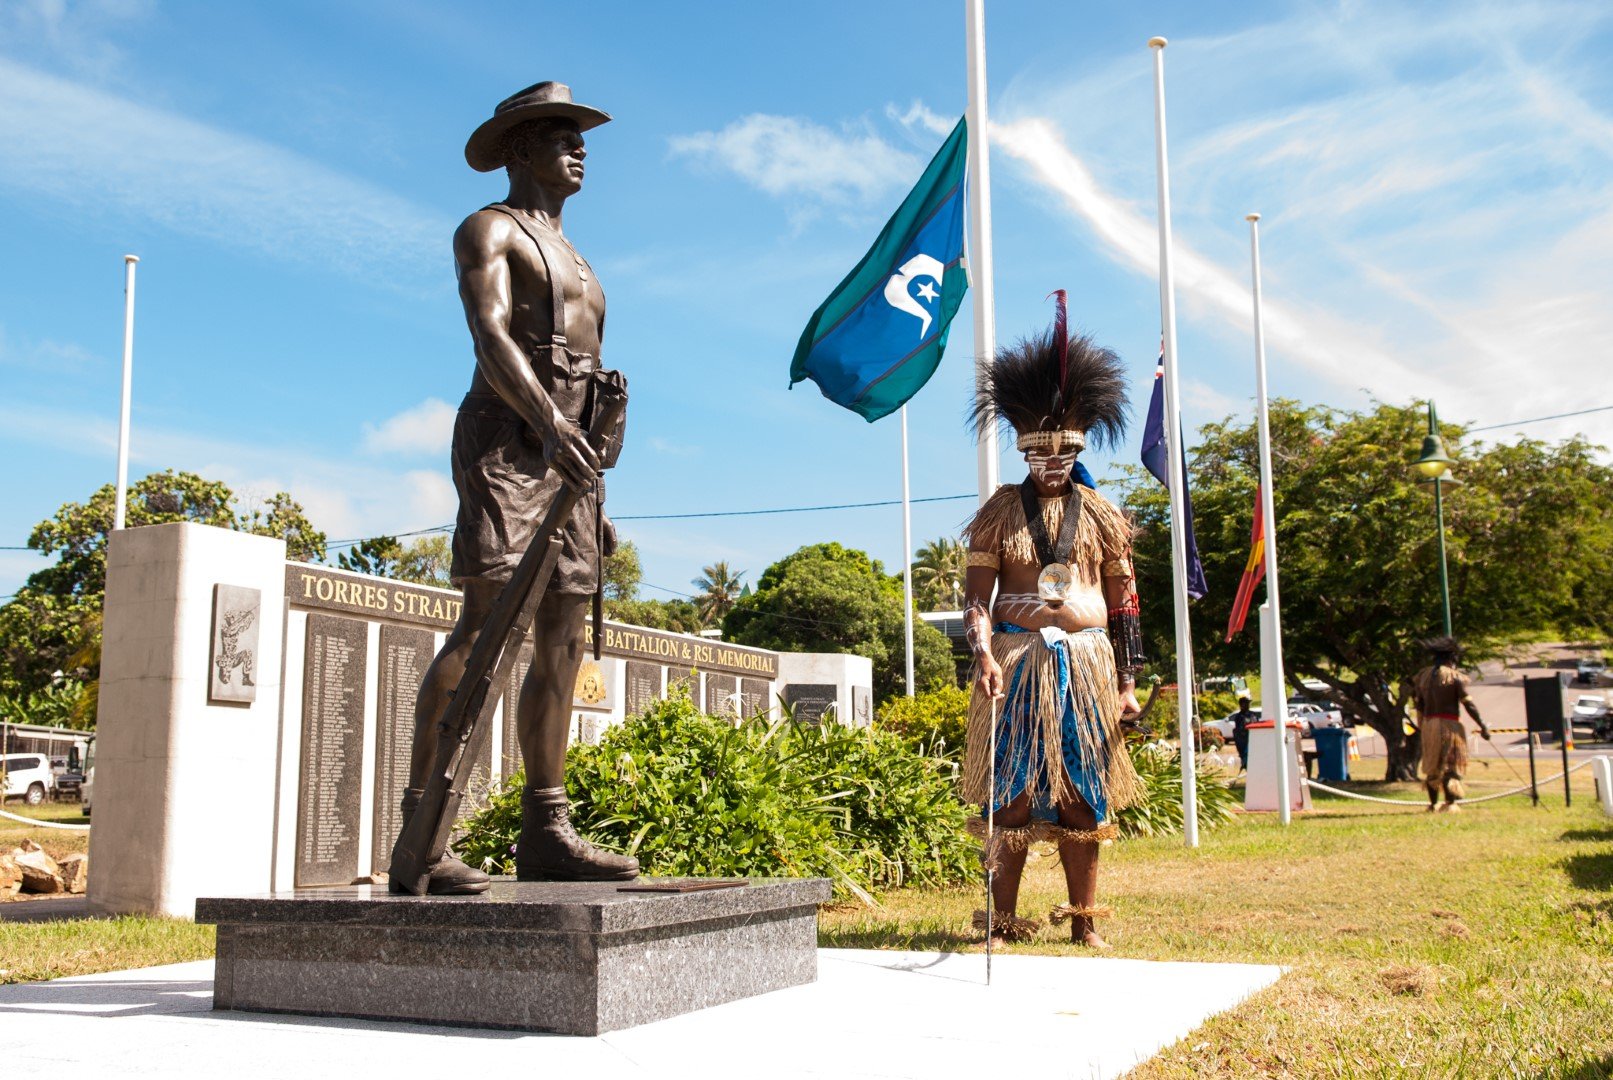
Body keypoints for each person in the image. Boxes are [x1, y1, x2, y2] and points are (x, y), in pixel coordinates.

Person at [390, 82, 638, 894]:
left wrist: (592, 472)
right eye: (562, 136)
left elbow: (588, 371)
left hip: (575, 462)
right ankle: (421, 834)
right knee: (489, 624)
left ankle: (546, 830)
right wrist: (546, 420)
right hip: (509, 441)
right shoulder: (489, 229)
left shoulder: (583, 260)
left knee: (565, 639)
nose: (581, 150)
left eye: (582, 138)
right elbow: (489, 334)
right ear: (520, 148)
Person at [959, 297, 1145, 948]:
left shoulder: (1101, 513)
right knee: (1009, 793)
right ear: (1023, 453)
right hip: (1016, 666)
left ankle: (1083, 922)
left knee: (1080, 792)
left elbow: (1124, 606)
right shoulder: (998, 513)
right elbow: (976, 600)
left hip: (1087, 667)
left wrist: (1127, 683)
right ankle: (1001, 921)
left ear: (1077, 447)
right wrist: (981, 654)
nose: (1052, 464)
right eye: (1039, 453)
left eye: (1063, 451)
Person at [1410, 636, 1491, 812]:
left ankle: (1433, 804)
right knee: (1451, 764)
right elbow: (1468, 703)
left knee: (1432, 765)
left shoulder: (1423, 677)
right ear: (1452, 658)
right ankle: (1450, 804)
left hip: (1429, 725)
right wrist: (1482, 725)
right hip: (1449, 724)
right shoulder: (1454, 677)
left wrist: (1422, 724)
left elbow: (1419, 704)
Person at [1230, 693, 1256, 771]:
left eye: (1248, 703)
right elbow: (1239, 731)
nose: (1248, 705)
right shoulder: (1239, 717)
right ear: (1241, 705)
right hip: (1244, 743)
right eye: (1246, 703)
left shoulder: (1252, 715)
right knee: (1246, 762)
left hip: (1254, 741)